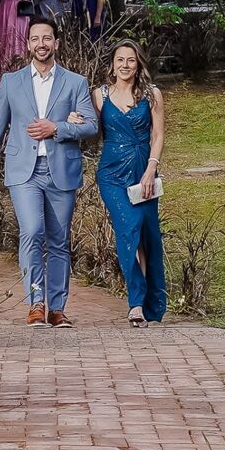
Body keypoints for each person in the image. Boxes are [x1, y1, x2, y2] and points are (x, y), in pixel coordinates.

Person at [0, 18, 100, 328]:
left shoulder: (75, 82)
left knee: (58, 240)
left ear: (56, 43)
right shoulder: (11, 82)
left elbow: (91, 125)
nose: (41, 43)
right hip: (24, 172)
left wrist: (58, 127)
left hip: (61, 170)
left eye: (47, 38)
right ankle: (35, 303)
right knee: (31, 232)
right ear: (28, 44)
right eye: (35, 39)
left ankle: (57, 309)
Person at [84, 39, 167, 326]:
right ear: (112, 63)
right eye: (120, 60)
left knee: (148, 236)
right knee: (128, 228)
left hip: (143, 171)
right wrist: (74, 120)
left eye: (130, 60)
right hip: (111, 174)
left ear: (138, 63)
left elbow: (158, 136)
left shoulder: (152, 94)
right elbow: (90, 132)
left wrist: (150, 170)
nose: (125, 65)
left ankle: (149, 303)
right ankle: (135, 303)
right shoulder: (99, 95)